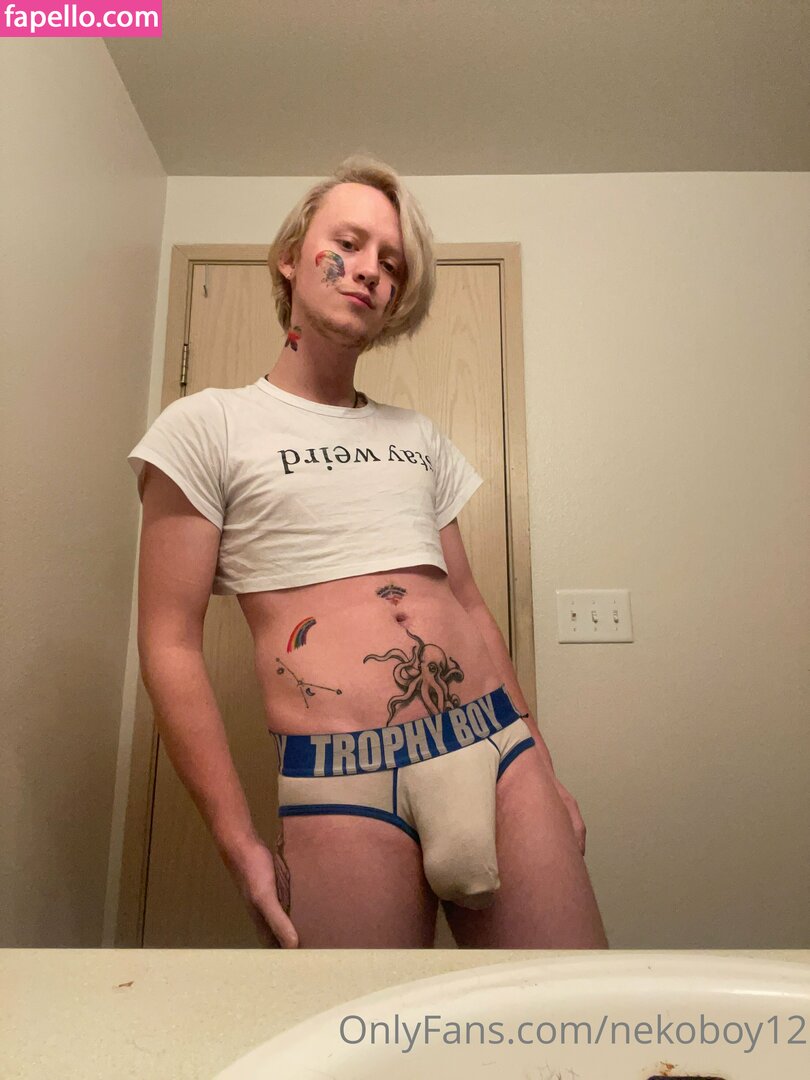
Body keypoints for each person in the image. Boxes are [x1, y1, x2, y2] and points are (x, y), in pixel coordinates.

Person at [128, 153, 609, 950]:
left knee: (572, 1008)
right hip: (343, 780)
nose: (369, 271)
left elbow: (468, 606)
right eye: (348, 244)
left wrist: (546, 769)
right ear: (292, 257)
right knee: (365, 1019)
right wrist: (238, 842)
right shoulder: (206, 426)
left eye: (391, 263)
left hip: (498, 750)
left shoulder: (418, 436)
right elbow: (169, 643)